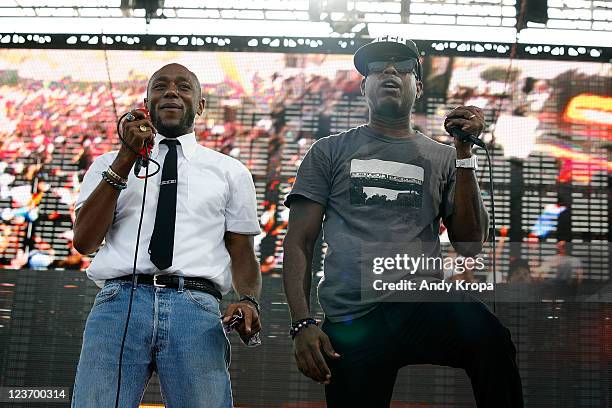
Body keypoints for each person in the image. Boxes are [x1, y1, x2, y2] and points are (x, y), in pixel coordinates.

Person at [283, 37, 523, 407]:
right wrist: (302, 323)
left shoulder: (444, 157)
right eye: (378, 67)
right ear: (364, 86)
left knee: (491, 339)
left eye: (402, 66)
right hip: (353, 317)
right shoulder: (328, 152)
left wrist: (464, 155)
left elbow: (470, 244)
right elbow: (299, 242)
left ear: (419, 87)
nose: (390, 71)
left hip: (419, 303)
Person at [71, 63, 261, 408]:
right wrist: (126, 157)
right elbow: (84, 242)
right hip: (119, 303)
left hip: (196, 308)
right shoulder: (106, 164)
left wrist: (248, 300)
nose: (171, 92)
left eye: (184, 87)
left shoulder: (230, 172)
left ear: (200, 106)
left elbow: (243, 252)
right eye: (160, 87)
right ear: (146, 103)